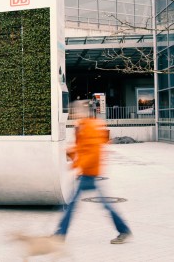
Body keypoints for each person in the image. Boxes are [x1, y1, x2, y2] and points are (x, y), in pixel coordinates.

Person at [54, 99, 132, 244]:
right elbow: (82, 148)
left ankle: (60, 234)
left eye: (76, 111)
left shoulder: (90, 127)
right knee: (97, 205)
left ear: (83, 112)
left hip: (89, 172)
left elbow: (93, 152)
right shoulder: (83, 126)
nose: (74, 114)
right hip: (87, 172)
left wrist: (77, 165)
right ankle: (124, 230)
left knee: (73, 205)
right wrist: (69, 152)